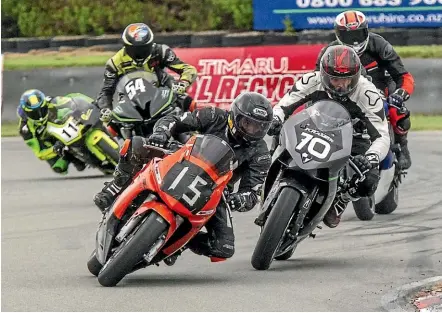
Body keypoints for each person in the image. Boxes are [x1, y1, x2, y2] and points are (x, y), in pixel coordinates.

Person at [93, 92, 274, 260]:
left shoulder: (260, 153)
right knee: (137, 144)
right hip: (181, 159)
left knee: (223, 248)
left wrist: (239, 200)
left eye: (259, 127)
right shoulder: (214, 115)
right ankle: (116, 187)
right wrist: (160, 133)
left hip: (215, 190)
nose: (252, 130)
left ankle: (179, 242)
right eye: (247, 123)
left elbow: (252, 193)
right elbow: (174, 120)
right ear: (234, 116)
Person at [268, 45, 390, 228]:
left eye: (347, 80)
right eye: (334, 79)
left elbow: (382, 136)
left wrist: (370, 157)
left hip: (354, 136)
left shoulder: (368, 93)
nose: (341, 85)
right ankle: (271, 168)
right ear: (324, 74)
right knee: (279, 131)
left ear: (356, 76)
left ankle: (341, 198)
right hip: (313, 124)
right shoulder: (311, 80)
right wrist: (276, 118)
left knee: (368, 182)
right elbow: (284, 104)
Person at [315, 10, 415, 170]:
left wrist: (400, 93)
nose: (355, 41)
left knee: (398, 111)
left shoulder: (379, 45)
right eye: (349, 36)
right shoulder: (329, 53)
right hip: (345, 92)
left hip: (380, 87)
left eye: (359, 34)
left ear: (367, 31)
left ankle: (402, 147)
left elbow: (404, 75)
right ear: (338, 35)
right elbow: (316, 81)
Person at [95, 22, 197, 122]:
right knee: (111, 124)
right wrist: (105, 108)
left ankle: (195, 126)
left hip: (161, 94)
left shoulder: (160, 51)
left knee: (187, 101)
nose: (140, 54)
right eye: (135, 50)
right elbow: (106, 91)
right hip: (130, 101)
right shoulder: (115, 62)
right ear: (126, 47)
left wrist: (183, 83)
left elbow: (188, 69)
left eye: (144, 48)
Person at [17, 89, 91, 174]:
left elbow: (72, 99)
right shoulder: (25, 129)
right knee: (59, 167)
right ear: (26, 113)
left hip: (63, 124)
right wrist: (54, 149)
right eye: (34, 114)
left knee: (74, 96)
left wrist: (87, 106)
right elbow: (39, 153)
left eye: (42, 110)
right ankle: (69, 157)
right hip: (51, 139)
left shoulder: (51, 101)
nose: (40, 116)